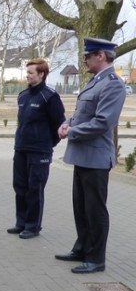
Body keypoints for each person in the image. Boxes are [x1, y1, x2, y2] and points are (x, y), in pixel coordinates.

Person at [55, 37, 126, 274]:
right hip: (82, 155)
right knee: (81, 207)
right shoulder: (94, 82)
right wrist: (67, 124)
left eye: (88, 55)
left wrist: (73, 132)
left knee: (95, 210)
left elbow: (103, 122)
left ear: (101, 56)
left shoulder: (113, 84)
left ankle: (96, 258)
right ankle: (82, 248)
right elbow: (81, 114)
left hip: (96, 158)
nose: (84, 59)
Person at [7, 58, 65, 239]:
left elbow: (59, 126)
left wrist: (47, 144)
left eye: (31, 73)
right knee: (20, 187)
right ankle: (21, 222)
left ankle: (33, 227)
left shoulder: (50, 97)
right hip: (21, 148)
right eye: (27, 73)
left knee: (35, 189)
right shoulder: (23, 96)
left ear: (42, 74)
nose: (27, 76)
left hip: (39, 151)